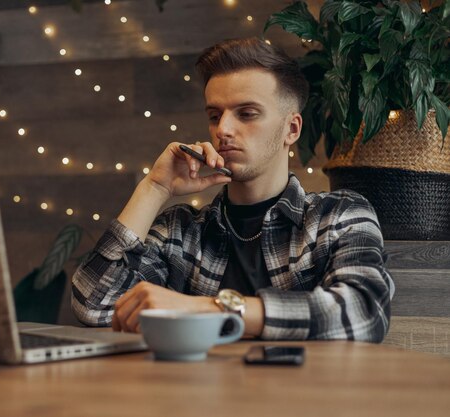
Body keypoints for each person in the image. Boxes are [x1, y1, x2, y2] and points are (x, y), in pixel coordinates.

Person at [71, 38, 394, 342]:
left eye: (246, 113)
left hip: (304, 399)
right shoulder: (180, 231)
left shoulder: (337, 215)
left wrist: (209, 308)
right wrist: (155, 188)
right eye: (215, 115)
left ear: (291, 129)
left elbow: (364, 313)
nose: (222, 130)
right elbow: (95, 306)